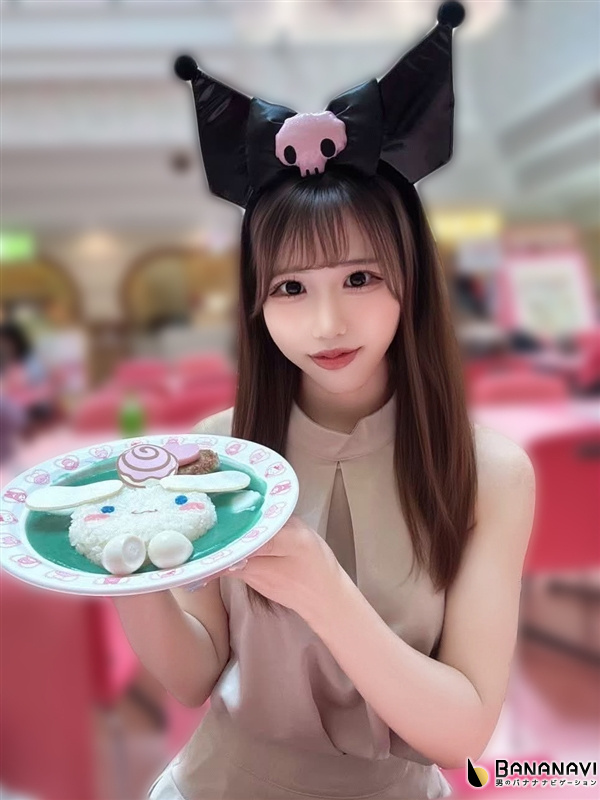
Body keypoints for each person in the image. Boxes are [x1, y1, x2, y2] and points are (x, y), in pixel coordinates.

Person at [113, 4, 536, 798]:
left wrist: (322, 589)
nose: (327, 323)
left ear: (411, 280)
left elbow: (462, 735)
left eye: (360, 278)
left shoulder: (489, 471)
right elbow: (195, 675)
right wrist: (126, 574)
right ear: (256, 302)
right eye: (291, 288)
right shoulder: (218, 448)